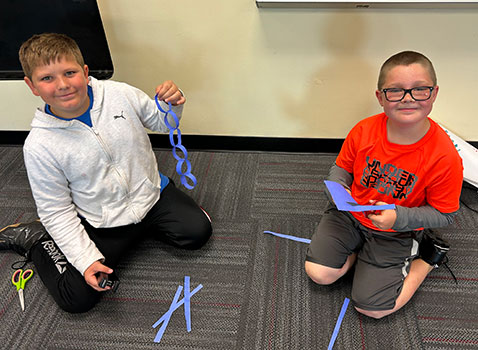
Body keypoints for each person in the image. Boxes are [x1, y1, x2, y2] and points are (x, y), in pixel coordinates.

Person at [0, 33, 212, 313]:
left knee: (198, 233)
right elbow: (56, 210)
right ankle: (37, 240)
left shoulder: (119, 94)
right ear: (32, 85)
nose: (62, 85)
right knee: (77, 298)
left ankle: (145, 227)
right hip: (101, 220)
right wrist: (85, 260)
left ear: (85, 73)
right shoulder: (40, 145)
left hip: (150, 196)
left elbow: (162, 123)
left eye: (70, 72)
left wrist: (172, 104)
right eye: (47, 78)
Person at [304, 51, 463, 319]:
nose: (408, 98)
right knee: (320, 274)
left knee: (372, 308)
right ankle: (360, 254)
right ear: (380, 97)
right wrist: (337, 186)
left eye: (419, 90)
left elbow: (445, 213)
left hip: (397, 230)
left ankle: (428, 257)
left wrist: (398, 218)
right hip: (349, 215)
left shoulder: (444, 156)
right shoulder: (364, 130)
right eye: (395, 91)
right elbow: (342, 167)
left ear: (434, 94)